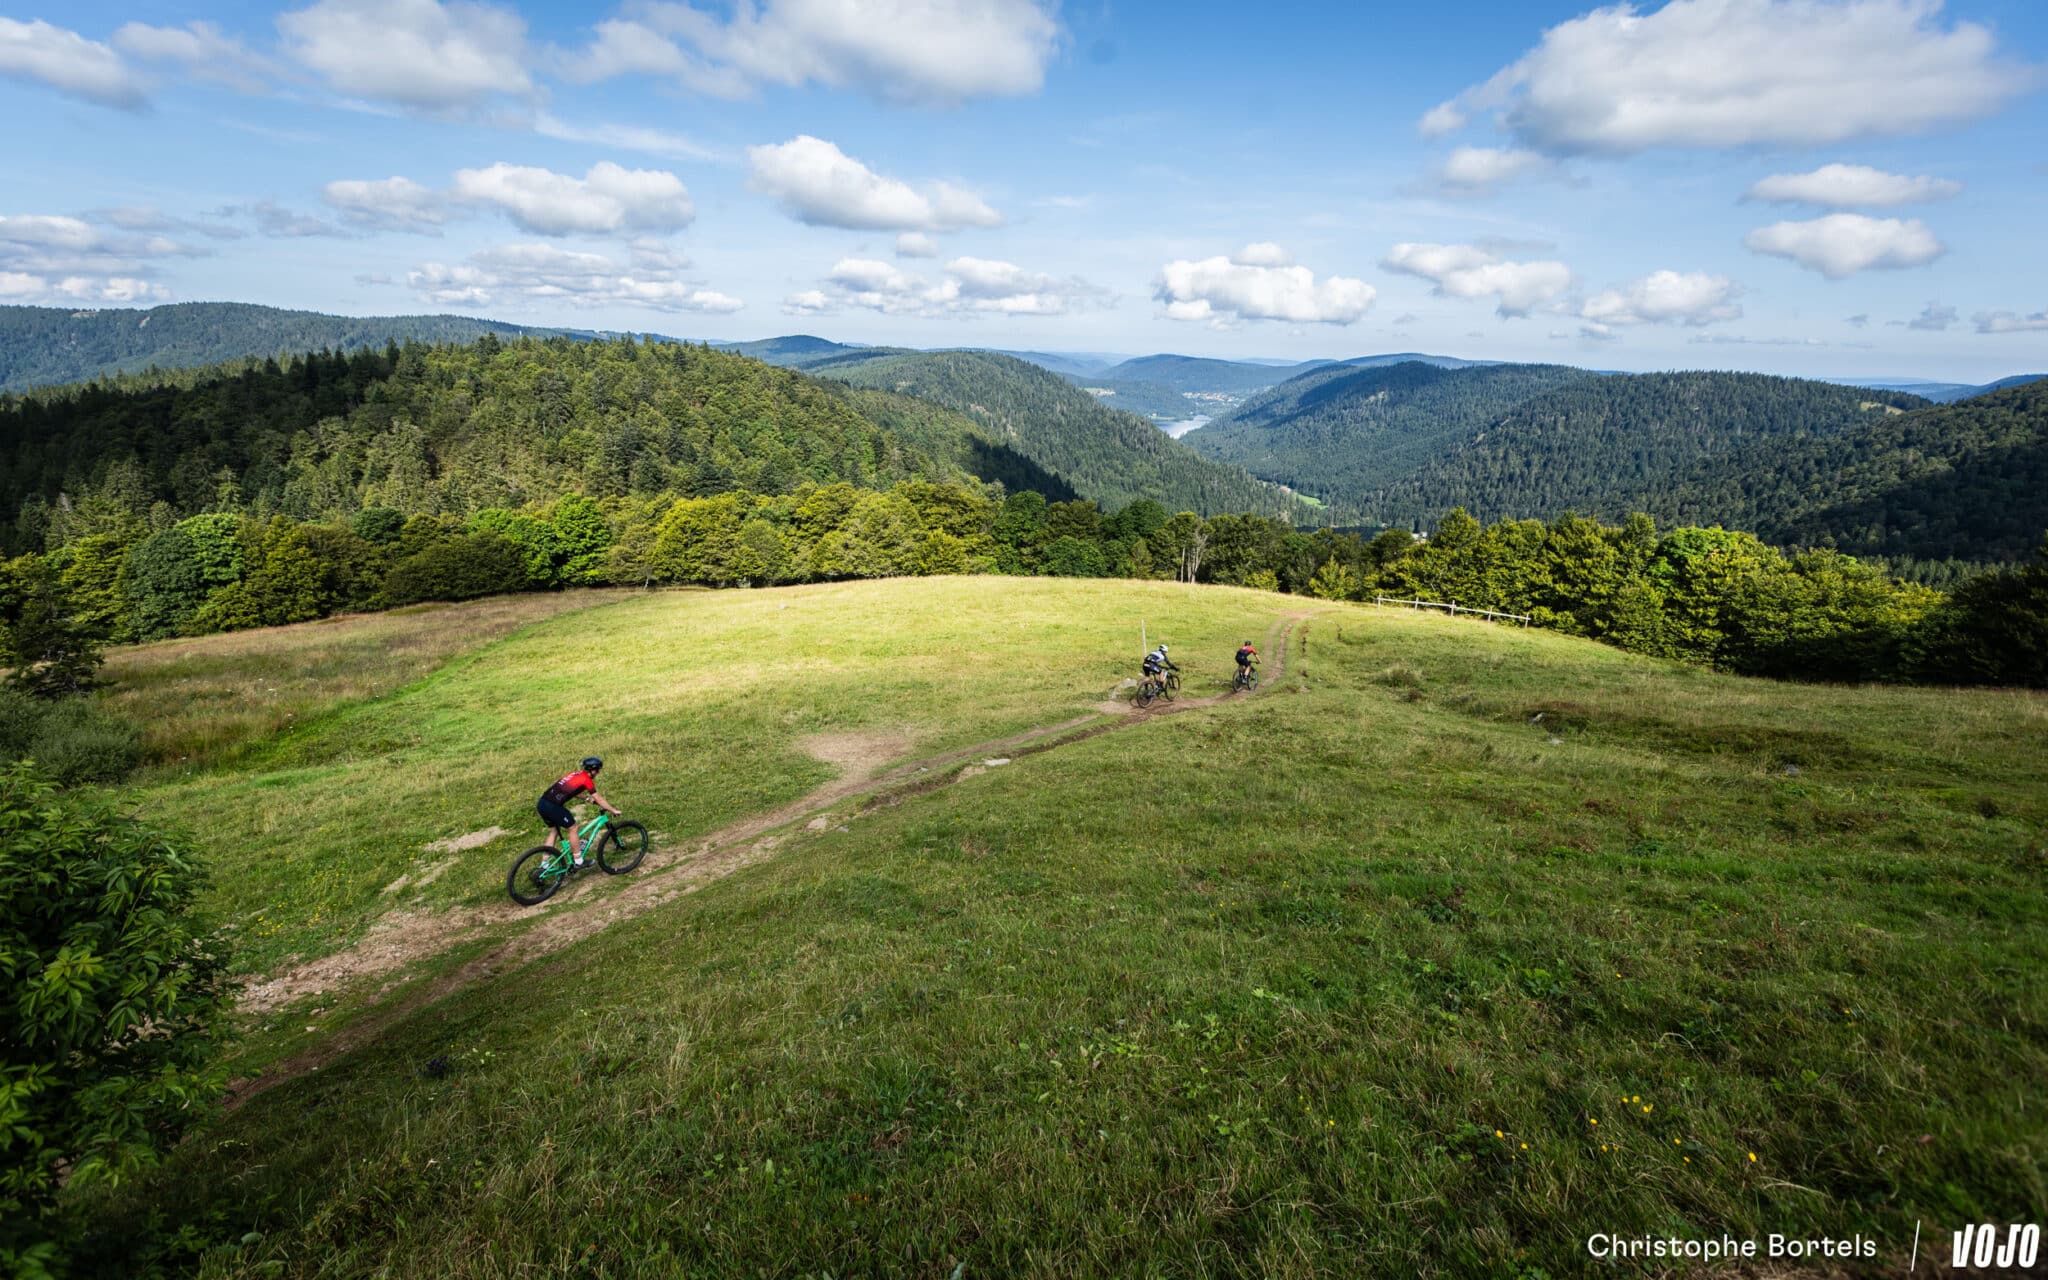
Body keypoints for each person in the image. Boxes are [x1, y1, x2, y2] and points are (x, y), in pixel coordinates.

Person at [537, 756, 620, 868]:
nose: (599, 772)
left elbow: (572, 790)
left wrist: (586, 799)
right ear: (593, 770)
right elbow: (599, 799)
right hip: (553, 806)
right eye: (598, 770)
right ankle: (578, 861)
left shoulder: (575, 774)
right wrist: (612, 810)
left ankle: (544, 864)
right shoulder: (587, 780)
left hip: (542, 803)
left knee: (554, 831)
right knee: (573, 828)